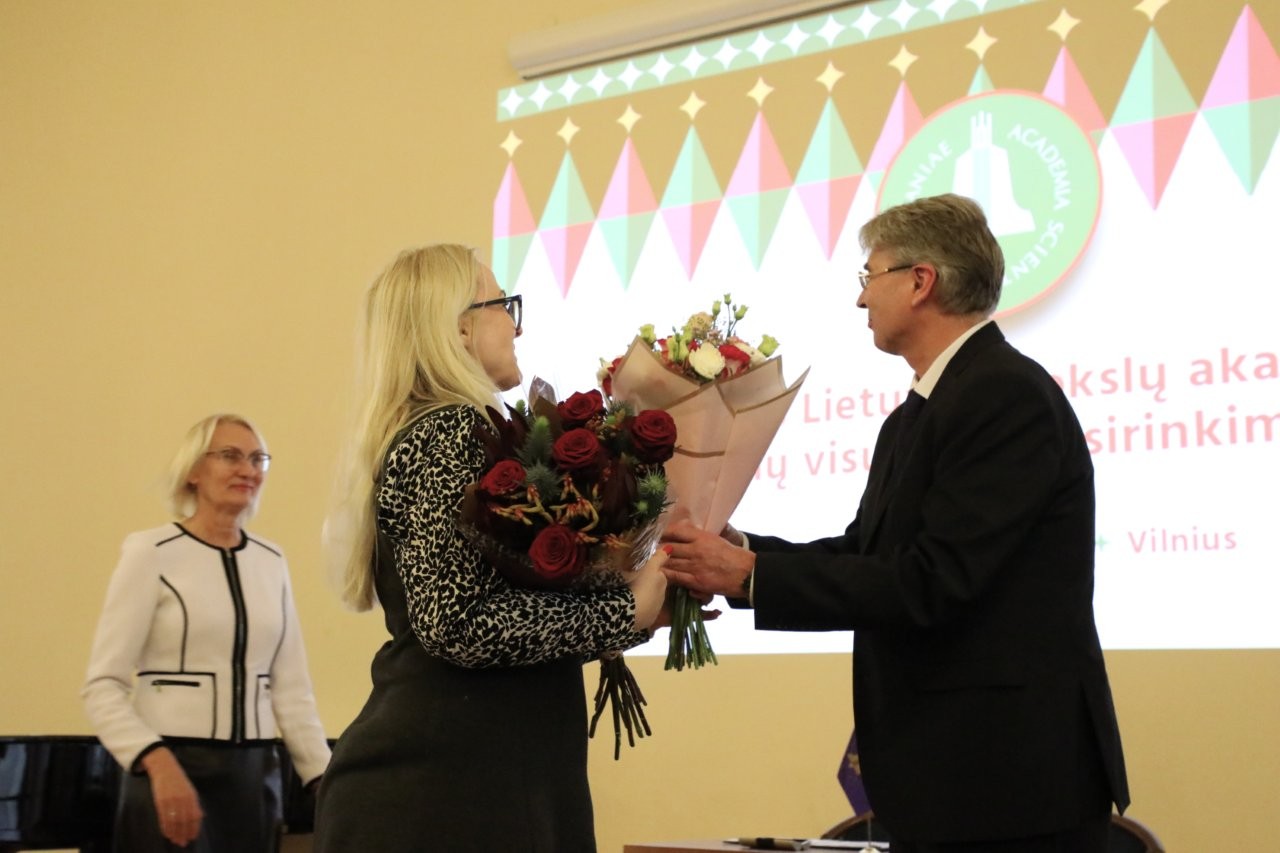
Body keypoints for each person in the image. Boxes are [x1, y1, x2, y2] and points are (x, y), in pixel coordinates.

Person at [663, 194, 1130, 852]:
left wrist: (752, 577)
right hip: (952, 782)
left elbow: (935, 581)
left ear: (920, 281)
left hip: (1009, 786)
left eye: (870, 275)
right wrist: (739, 550)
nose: (861, 298)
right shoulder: (921, 411)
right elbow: (867, 553)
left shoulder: (1003, 394)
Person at [312, 244, 669, 853]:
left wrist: (628, 599)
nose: (517, 325)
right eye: (505, 305)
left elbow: (497, 625)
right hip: (444, 794)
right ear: (459, 327)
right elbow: (458, 623)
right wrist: (623, 611)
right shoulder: (447, 430)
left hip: (466, 783)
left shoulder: (452, 430)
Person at [82, 413, 331, 852]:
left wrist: (325, 782)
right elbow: (102, 686)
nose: (247, 470)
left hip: (254, 779)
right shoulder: (150, 552)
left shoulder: (271, 561)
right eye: (230, 456)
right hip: (168, 772)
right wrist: (157, 763)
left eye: (257, 459)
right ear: (193, 470)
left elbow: (292, 692)